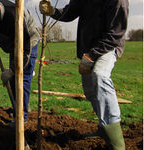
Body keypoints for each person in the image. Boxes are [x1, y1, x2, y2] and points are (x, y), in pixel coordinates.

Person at [39, 0, 128, 149]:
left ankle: (117, 144)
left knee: (100, 76)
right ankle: (104, 129)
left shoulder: (118, 1)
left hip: (108, 47)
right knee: (90, 90)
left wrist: (92, 56)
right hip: (88, 48)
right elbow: (71, 12)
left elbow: (116, 34)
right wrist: (52, 11)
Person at [0, 0, 40, 123]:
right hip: (13, 44)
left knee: (22, 80)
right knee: (13, 82)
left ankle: (21, 118)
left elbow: (25, 48)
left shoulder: (13, 15)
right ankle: (19, 107)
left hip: (28, 42)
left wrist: (13, 70)